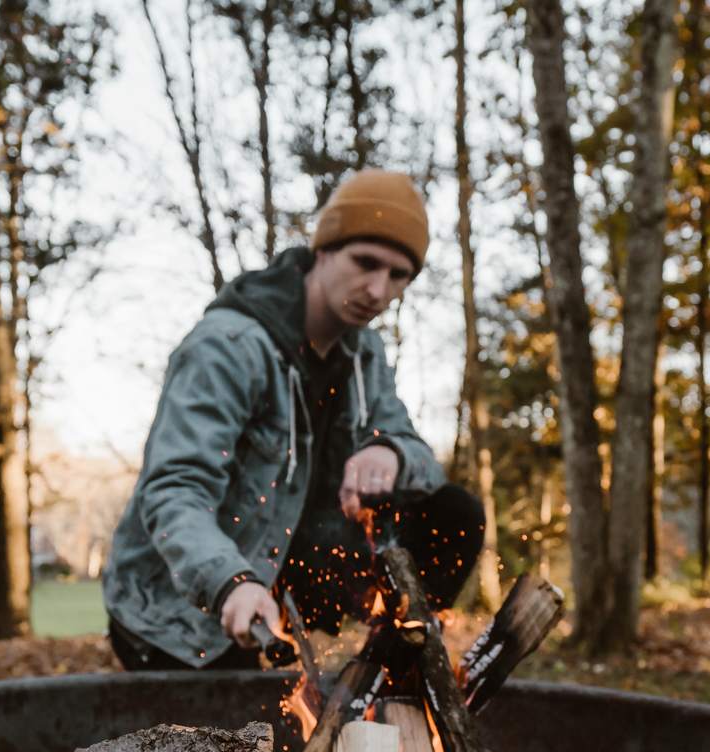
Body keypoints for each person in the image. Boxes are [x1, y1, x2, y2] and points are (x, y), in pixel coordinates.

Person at [103, 169, 484, 670]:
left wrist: (388, 452)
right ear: (323, 250)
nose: (377, 289)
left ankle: (386, 674)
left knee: (455, 514)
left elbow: (421, 459)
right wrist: (230, 583)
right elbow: (174, 492)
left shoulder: (363, 352)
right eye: (365, 262)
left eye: (398, 276)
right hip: (184, 610)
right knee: (232, 745)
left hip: (290, 566)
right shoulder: (228, 347)